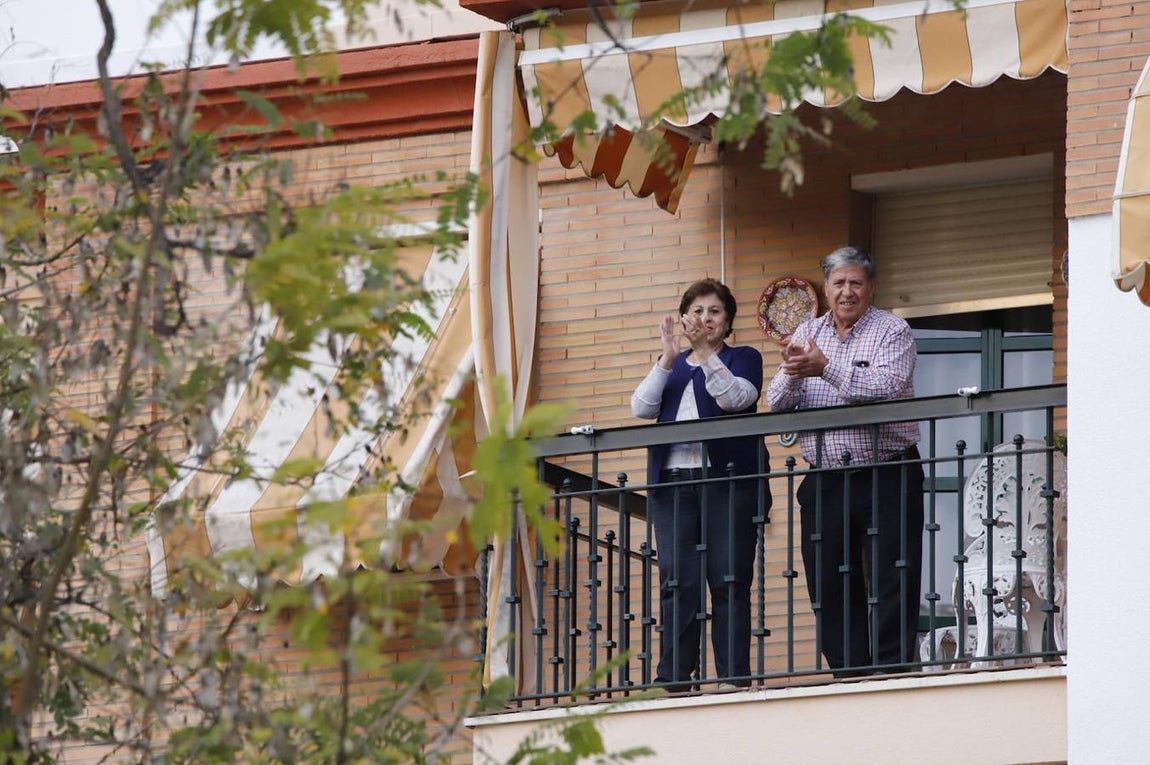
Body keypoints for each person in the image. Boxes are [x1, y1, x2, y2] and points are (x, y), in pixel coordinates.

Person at [766, 247, 924, 676]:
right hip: (826, 479)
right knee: (829, 580)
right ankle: (847, 672)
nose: (847, 291)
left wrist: (826, 367)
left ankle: (892, 670)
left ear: (870, 288)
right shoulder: (806, 331)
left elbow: (886, 387)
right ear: (827, 288)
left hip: (888, 472)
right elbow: (776, 403)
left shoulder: (893, 330)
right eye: (839, 283)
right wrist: (795, 373)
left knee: (894, 573)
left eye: (856, 283)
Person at [631, 278, 769, 690]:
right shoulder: (671, 364)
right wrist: (666, 360)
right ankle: (674, 677)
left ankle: (732, 676)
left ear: (728, 322)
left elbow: (737, 399)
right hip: (673, 486)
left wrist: (708, 355)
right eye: (697, 311)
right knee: (678, 581)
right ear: (683, 317)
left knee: (728, 579)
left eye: (714, 312)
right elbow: (641, 407)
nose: (704, 319)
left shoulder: (744, 357)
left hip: (727, 482)